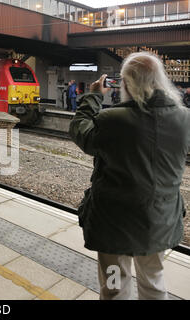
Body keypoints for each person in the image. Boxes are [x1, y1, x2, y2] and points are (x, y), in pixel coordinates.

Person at [69, 51, 190, 300]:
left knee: (114, 284)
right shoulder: (184, 119)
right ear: (160, 80)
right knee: (154, 281)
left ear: (125, 83)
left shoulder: (112, 119)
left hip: (113, 226)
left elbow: (81, 133)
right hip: (158, 222)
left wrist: (92, 96)